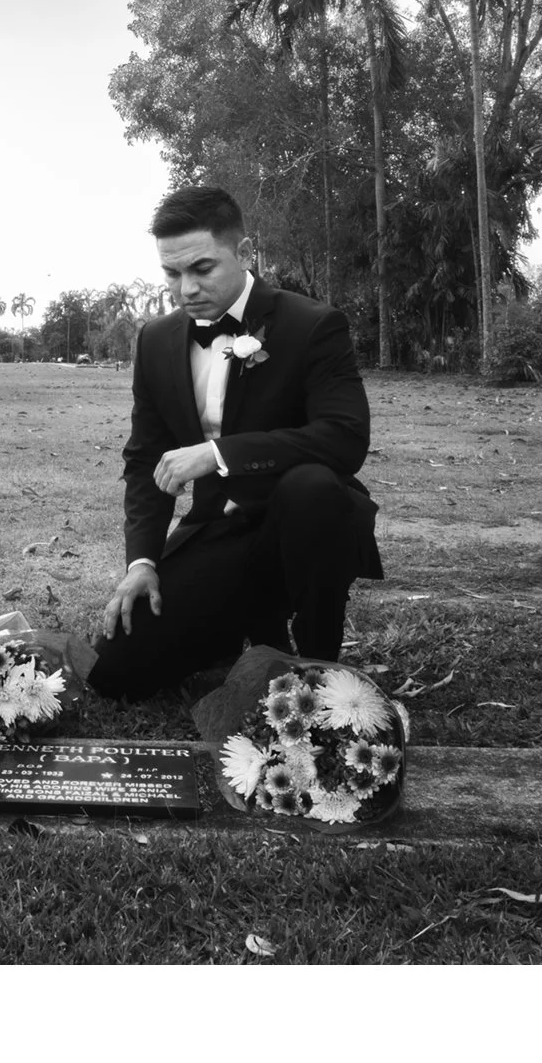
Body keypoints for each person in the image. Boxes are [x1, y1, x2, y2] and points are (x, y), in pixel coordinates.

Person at [79, 186, 383, 703]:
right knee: (115, 675)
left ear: (245, 252)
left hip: (309, 527)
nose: (186, 288)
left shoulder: (314, 325)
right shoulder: (155, 341)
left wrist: (219, 454)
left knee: (312, 487)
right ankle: (230, 630)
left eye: (202, 268)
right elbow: (145, 460)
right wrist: (143, 563)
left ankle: (319, 671)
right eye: (172, 274)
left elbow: (344, 438)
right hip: (220, 528)